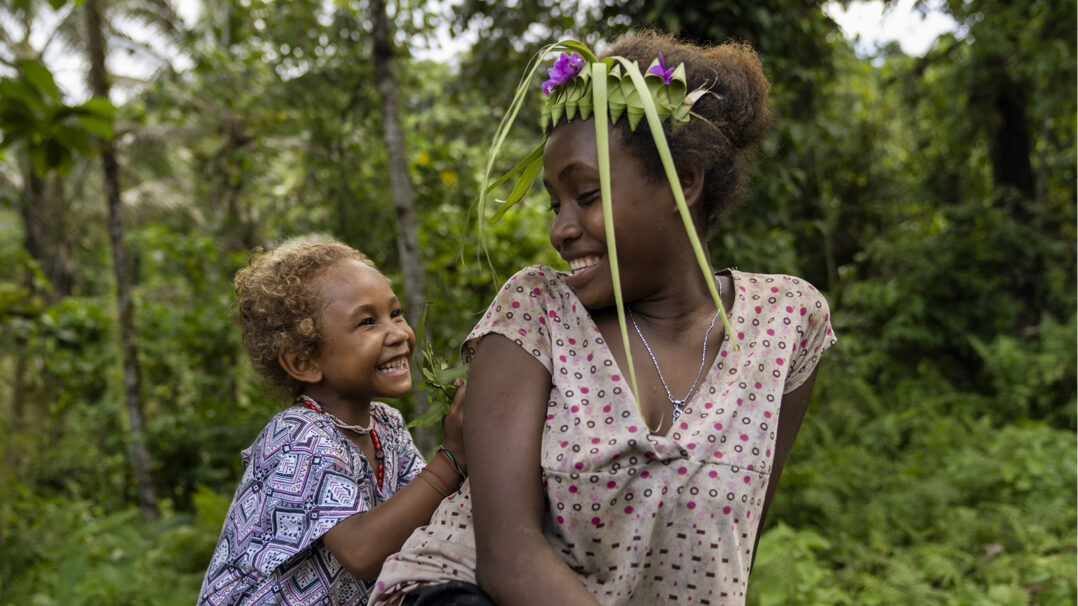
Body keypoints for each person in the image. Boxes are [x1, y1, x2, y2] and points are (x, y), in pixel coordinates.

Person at [371, 30, 835, 606]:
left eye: (586, 195)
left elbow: (734, 546)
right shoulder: (535, 312)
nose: (560, 229)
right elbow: (508, 556)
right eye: (554, 203)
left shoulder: (786, 324)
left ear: (683, 181)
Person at [198, 238, 468, 606]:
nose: (399, 334)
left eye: (396, 313)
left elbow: (430, 512)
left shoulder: (385, 426)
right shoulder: (297, 435)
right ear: (304, 362)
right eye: (367, 322)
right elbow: (361, 551)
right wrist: (452, 457)